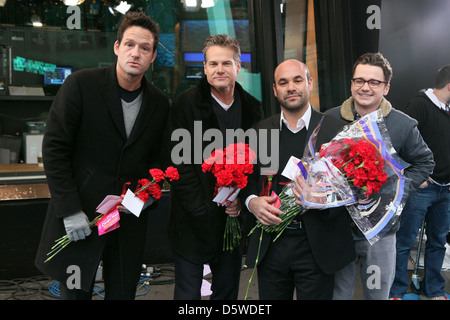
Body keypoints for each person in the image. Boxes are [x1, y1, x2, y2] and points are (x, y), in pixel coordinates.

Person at [34, 12, 169, 300]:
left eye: (145, 48)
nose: (136, 53)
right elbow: (55, 150)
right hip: (80, 217)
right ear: (117, 47)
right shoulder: (80, 85)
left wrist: (141, 201)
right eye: (130, 44)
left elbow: (158, 161)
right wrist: (69, 210)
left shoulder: (159, 102)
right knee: (76, 295)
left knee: (123, 293)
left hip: (128, 221)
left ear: (153, 56)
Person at [241, 59, 356, 300]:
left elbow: (352, 189)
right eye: (283, 82)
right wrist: (252, 201)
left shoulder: (337, 132)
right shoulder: (260, 131)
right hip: (271, 245)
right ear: (275, 90)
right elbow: (247, 182)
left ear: (310, 83)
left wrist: (325, 200)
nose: (290, 87)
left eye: (297, 80)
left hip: (318, 246)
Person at [326, 52, 435, 300]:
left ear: (386, 88)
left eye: (374, 82)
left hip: (380, 230)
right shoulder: (329, 118)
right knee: (337, 295)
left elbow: (425, 162)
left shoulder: (402, 124)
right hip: (337, 228)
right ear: (352, 83)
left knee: (376, 294)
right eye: (359, 80)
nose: (365, 87)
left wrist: (398, 190)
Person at [167, 34, 263, 300]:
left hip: (231, 221)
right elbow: (178, 163)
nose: (219, 69)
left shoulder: (253, 109)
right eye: (213, 64)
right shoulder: (185, 105)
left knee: (227, 292)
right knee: (188, 296)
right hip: (191, 219)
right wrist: (202, 208)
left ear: (238, 66)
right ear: (205, 67)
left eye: (226, 63)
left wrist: (241, 202)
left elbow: (256, 165)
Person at [389, 65, 450, 300]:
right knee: (404, 242)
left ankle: (433, 289)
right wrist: (416, 176)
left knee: (438, 242)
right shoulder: (420, 105)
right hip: (423, 189)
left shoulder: (446, 109)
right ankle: (396, 292)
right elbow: (399, 143)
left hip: (445, 189)